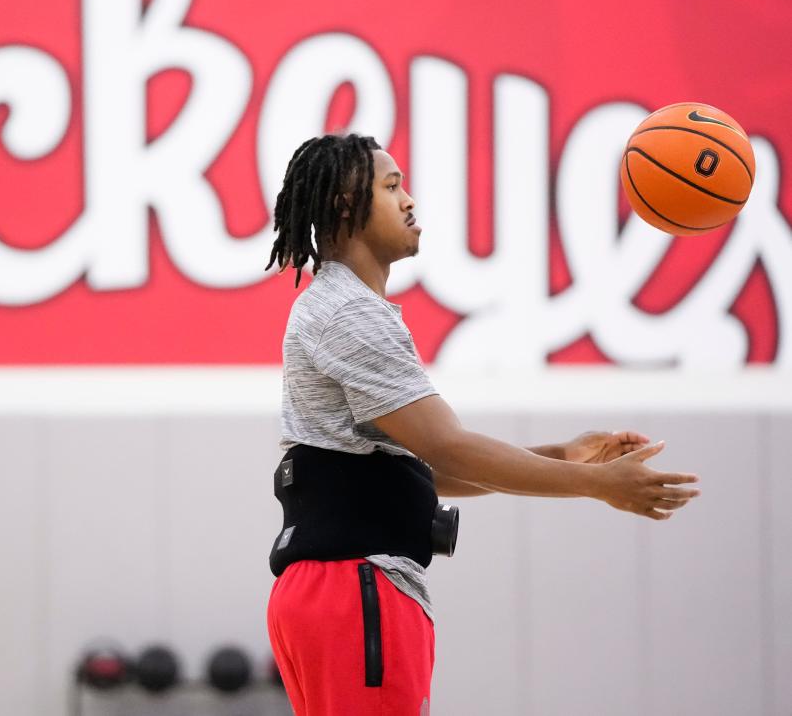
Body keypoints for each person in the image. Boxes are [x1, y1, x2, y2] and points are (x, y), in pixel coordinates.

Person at [263, 133, 702, 716]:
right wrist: (598, 485)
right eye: (392, 187)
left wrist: (562, 456)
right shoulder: (350, 313)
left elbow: (427, 466)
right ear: (345, 204)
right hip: (355, 590)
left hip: (334, 590)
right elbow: (451, 448)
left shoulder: (341, 307)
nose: (410, 200)